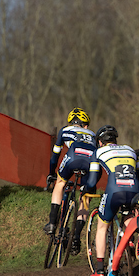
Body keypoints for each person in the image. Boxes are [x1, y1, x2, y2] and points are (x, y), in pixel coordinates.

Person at [85, 125, 139, 276]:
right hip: (134, 191)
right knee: (128, 216)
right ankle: (132, 240)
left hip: (114, 191)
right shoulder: (130, 150)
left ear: (100, 142)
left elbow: (92, 182)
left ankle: (99, 270)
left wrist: (85, 190)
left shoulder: (98, 152)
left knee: (102, 226)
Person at [43, 108, 96, 256]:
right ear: (85, 125)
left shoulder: (64, 130)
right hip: (90, 161)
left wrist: (51, 173)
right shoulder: (93, 134)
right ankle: (76, 238)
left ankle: (52, 223)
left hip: (73, 156)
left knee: (60, 183)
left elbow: (55, 155)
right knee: (85, 196)